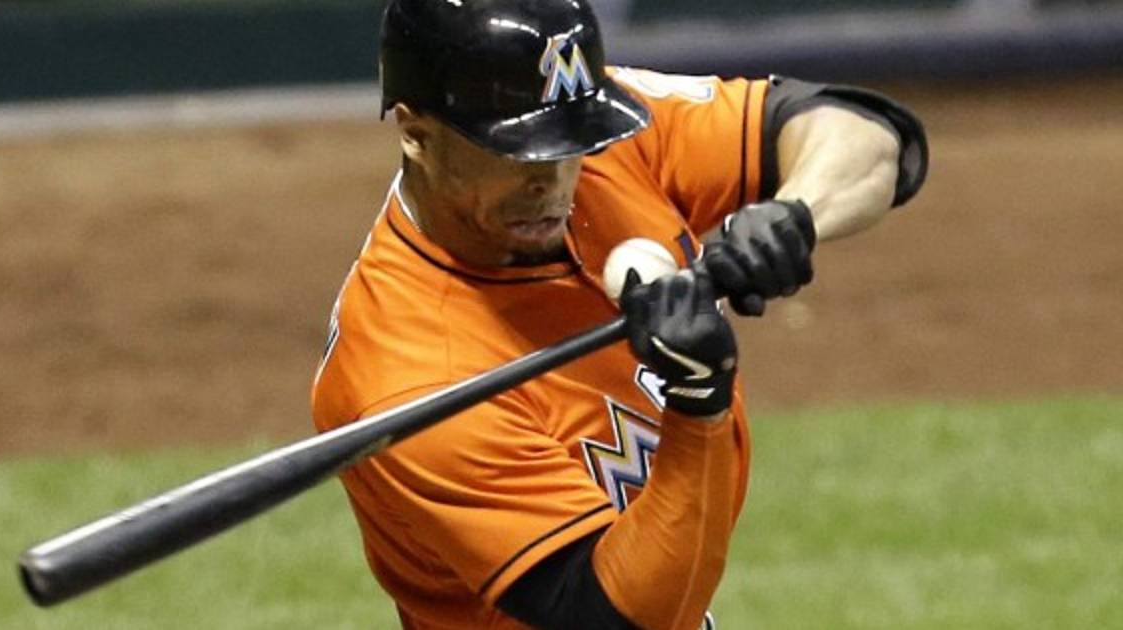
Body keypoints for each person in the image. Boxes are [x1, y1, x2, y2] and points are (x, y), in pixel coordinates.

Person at [312, 0, 928, 628]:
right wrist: (698, 399)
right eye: (519, 153)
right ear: (417, 134)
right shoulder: (404, 379)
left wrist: (795, 217)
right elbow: (617, 620)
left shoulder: (605, 140)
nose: (554, 183)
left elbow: (871, 134)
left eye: (570, 144)